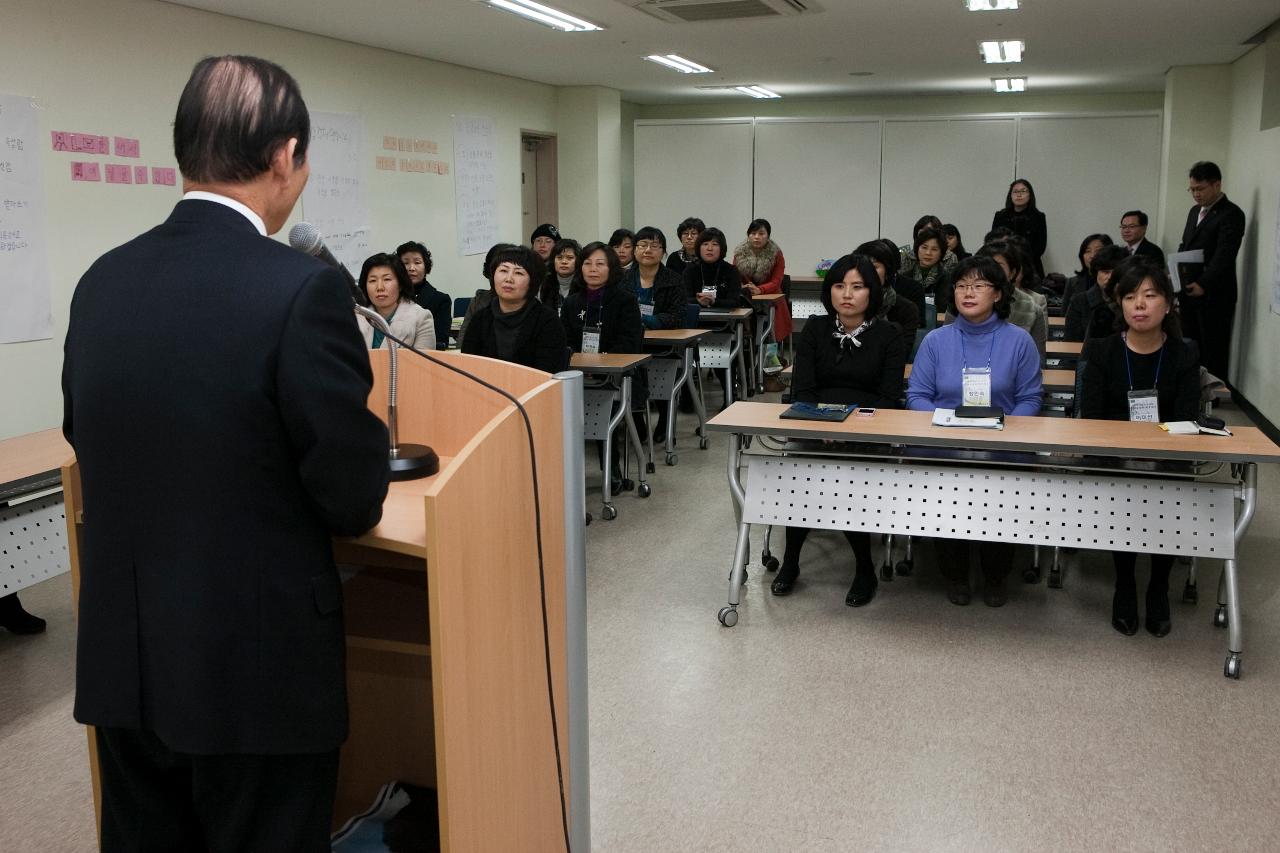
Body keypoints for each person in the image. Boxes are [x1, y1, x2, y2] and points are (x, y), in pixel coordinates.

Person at [61, 55, 390, 851]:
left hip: (126, 660)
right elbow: (351, 495)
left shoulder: (102, 279)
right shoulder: (299, 289)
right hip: (253, 672)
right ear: (284, 155)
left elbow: (86, 432)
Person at [770, 254, 907, 606]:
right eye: (839, 285)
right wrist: (822, 424)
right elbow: (803, 389)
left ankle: (864, 569)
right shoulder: (815, 328)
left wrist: (851, 427)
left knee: (847, 482)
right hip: (815, 425)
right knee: (798, 480)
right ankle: (790, 562)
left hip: (866, 431)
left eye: (858, 287)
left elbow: (889, 398)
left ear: (872, 293)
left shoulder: (889, 335)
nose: (847, 294)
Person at [907, 255, 1042, 607]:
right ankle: (954, 574)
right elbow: (917, 396)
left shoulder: (1019, 341)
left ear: (998, 294)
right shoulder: (936, 340)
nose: (968, 293)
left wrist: (1003, 428)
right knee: (944, 487)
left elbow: (1030, 398)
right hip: (943, 441)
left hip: (1002, 441)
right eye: (961, 286)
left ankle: (996, 576)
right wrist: (947, 423)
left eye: (979, 285)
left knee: (1000, 487)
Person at [1080, 260, 1200, 638]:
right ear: (1120, 305)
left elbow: (1186, 420)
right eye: (1130, 297)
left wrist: (1153, 446)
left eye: (1150, 296)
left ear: (1168, 304)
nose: (1140, 305)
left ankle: (1159, 586)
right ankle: (1126, 584)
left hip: (1167, 456)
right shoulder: (1102, 351)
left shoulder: (1184, 353)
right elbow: (1093, 418)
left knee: (1167, 491)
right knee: (1126, 492)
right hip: (1114, 458)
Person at [562, 242, 646, 489]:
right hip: (578, 376)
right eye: (587, 263)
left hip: (616, 377)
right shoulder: (572, 303)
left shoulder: (625, 300)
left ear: (611, 268)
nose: (593, 269)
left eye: (600, 264)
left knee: (603, 406)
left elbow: (629, 343)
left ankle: (612, 469)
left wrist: (601, 361)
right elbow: (564, 341)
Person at [1177, 161, 1245, 381]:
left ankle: (1212, 396)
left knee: (1212, 345)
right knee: (1190, 343)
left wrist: (1204, 283)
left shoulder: (1231, 214)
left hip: (1215, 293)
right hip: (1187, 288)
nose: (1195, 194)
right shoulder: (1194, 211)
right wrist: (1174, 269)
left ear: (1217, 185)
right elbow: (1185, 244)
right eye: (1192, 189)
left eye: (1200, 189)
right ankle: (1190, 388)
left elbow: (1224, 255)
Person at [461, 245, 566, 373]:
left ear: (533, 281)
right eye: (503, 271)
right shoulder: (480, 318)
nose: (508, 279)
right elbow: (468, 367)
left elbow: (548, 372)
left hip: (533, 390)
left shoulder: (547, 321)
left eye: (518, 273)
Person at [978, 240, 1047, 356]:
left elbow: (1037, 360)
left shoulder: (1032, 309)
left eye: (998, 266)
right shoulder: (963, 302)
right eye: (986, 266)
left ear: (1012, 273)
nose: (991, 271)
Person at [356, 253, 436, 350]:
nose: (380, 287)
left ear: (401, 284)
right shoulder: (356, 318)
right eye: (373, 281)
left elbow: (423, 364)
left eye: (387, 279)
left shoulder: (421, 318)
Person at [854, 239, 920, 355]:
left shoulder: (907, 309)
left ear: (888, 272)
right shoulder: (848, 303)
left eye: (874, 267)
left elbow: (901, 355)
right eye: (862, 266)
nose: (867, 271)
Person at [733, 218, 793, 342]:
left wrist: (760, 290)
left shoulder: (776, 254)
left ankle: (768, 353)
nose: (756, 237)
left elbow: (777, 281)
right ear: (748, 235)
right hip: (746, 296)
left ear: (768, 236)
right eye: (753, 233)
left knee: (768, 328)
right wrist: (743, 288)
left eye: (761, 234)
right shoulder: (739, 253)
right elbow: (733, 276)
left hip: (771, 296)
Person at [457, 242, 517, 348]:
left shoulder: (532, 305)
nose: (507, 278)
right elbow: (463, 342)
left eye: (516, 272)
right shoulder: (479, 301)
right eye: (502, 270)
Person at [1064, 244, 1127, 342]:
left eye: (1115, 273)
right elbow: (1071, 341)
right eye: (1105, 272)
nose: (1110, 277)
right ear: (1096, 273)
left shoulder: (1132, 301)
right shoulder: (1080, 301)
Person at [628, 226, 686, 330]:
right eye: (643, 245)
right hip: (628, 338)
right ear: (634, 250)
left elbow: (677, 317)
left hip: (662, 340)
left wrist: (646, 319)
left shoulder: (675, 280)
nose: (648, 250)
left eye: (654, 246)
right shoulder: (622, 279)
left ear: (663, 252)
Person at [398, 240, 450, 350]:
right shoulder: (391, 298)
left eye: (417, 262)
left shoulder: (441, 300)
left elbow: (441, 342)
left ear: (426, 267)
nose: (411, 268)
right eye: (405, 263)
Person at [991, 178, 1047, 278]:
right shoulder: (1000, 216)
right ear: (1010, 195)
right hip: (1004, 264)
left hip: (1030, 265)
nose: (1019, 194)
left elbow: (1040, 246)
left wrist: (1022, 261)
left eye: (1023, 191)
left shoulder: (1038, 217)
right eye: (1015, 191)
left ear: (1030, 195)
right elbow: (993, 241)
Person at [682, 227, 742, 309]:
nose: (709, 248)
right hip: (696, 319)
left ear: (722, 248)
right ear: (699, 248)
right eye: (705, 244)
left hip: (725, 320)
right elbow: (683, 300)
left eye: (715, 244)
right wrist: (698, 301)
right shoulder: (690, 271)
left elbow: (735, 302)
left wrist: (714, 301)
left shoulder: (731, 271)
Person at [1061, 233, 1114, 310]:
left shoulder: (1115, 280)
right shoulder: (1072, 282)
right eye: (1088, 251)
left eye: (1098, 250)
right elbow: (1064, 314)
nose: (1092, 255)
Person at [900, 215, 958, 280]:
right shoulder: (906, 256)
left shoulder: (950, 258)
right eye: (922, 233)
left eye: (934, 249)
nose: (928, 253)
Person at [538, 237, 580, 316]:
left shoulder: (583, 284)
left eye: (569, 258)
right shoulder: (545, 283)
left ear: (578, 261)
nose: (564, 262)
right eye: (559, 257)